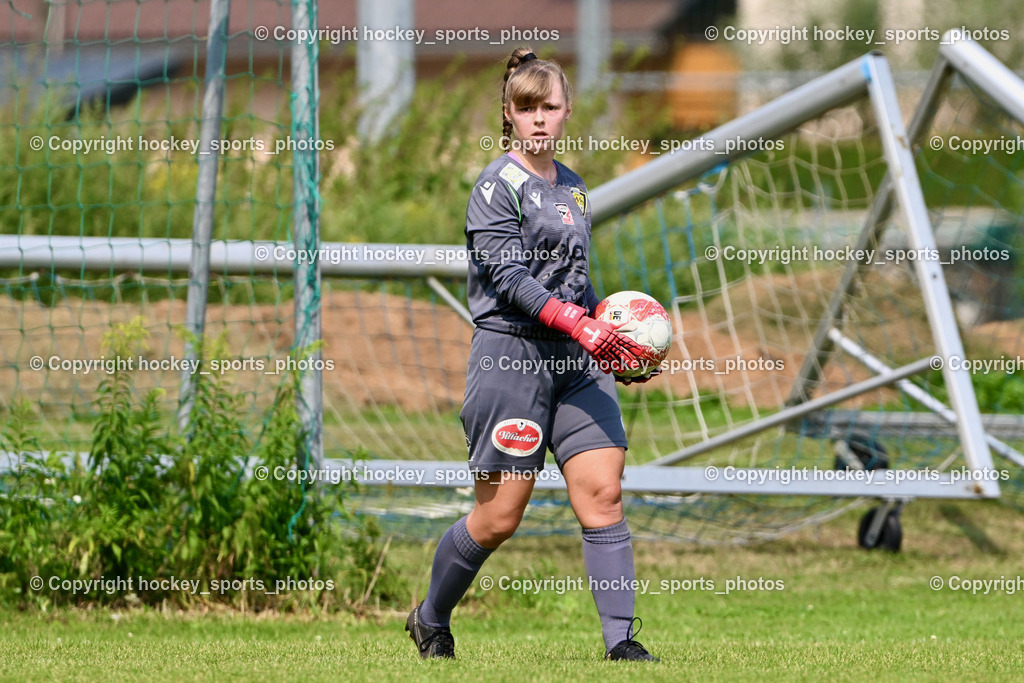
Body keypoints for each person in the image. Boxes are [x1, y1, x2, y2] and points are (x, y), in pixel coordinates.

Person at [405, 48, 660, 662]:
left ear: (568, 111)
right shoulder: (496, 187)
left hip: (575, 362)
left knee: (603, 493)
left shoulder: (574, 188)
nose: (540, 119)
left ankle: (621, 643)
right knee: (498, 518)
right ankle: (430, 617)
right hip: (510, 357)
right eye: (527, 108)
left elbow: (577, 282)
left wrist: (616, 336)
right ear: (510, 115)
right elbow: (512, 280)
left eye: (550, 107)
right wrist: (581, 324)